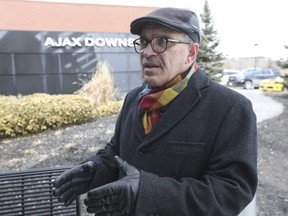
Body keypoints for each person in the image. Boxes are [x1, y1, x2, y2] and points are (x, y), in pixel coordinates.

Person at [53, 7, 257, 216]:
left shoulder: (230, 108)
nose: (147, 52)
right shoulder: (133, 98)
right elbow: (116, 151)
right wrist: (94, 169)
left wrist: (147, 193)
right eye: (143, 42)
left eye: (162, 42)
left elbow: (231, 192)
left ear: (191, 53)